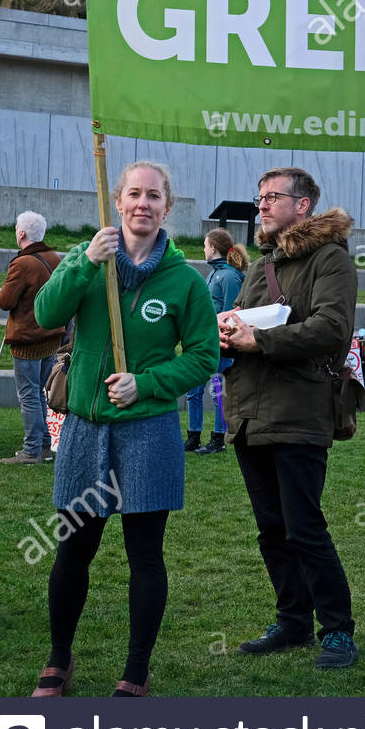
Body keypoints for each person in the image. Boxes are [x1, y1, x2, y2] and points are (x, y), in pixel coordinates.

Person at [29, 161, 218, 697]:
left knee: (145, 555)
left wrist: (149, 383)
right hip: (87, 429)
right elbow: (45, 314)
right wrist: (86, 262)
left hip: (148, 430)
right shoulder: (85, 260)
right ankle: (58, 658)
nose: (142, 204)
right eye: (133, 193)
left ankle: (136, 670)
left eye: (153, 195)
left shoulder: (184, 280)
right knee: (73, 551)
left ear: (167, 206)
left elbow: (205, 356)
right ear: (116, 200)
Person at [218, 167, 360, 670]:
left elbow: (332, 328)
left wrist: (261, 340)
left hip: (300, 411)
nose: (262, 205)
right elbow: (240, 320)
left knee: (304, 527)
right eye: (260, 197)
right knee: (270, 529)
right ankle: (293, 619)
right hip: (248, 413)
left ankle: (338, 630)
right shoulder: (260, 266)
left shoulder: (332, 259)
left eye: (273, 197)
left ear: (303, 206)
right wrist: (226, 330)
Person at [0, 211, 66, 464]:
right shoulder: (54, 258)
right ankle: (44, 445)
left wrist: (1, 293)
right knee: (39, 393)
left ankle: (32, 450)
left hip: (28, 339)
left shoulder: (22, 264)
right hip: (51, 336)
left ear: (22, 233)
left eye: (17, 227)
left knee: (28, 394)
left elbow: (5, 301)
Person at [185, 229, 248, 455]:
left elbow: (232, 313)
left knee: (217, 392)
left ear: (213, 248)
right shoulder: (214, 274)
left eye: (205, 246)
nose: (203, 249)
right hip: (204, 344)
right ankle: (193, 436)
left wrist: (223, 340)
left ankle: (218, 439)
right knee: (194, 391)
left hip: (220, 346)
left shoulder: (229, 276)